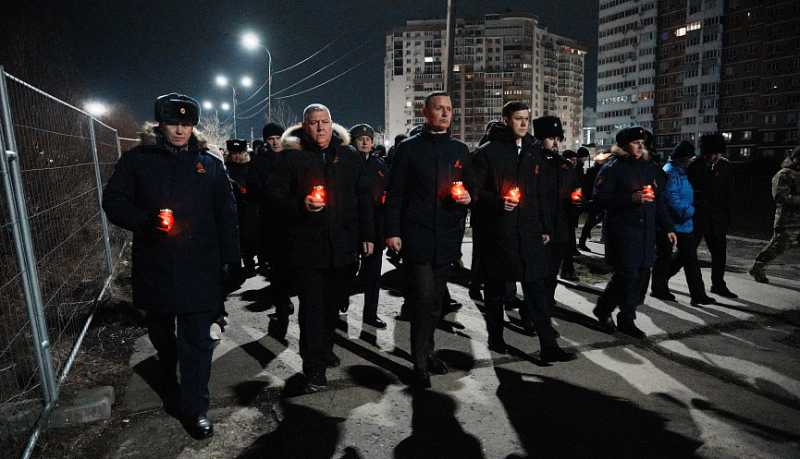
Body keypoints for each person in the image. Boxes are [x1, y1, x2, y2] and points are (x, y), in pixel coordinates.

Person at [102, 93, 239, 439]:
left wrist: (232, 260)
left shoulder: (209, 164)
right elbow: (113, 201)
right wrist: (145, 221)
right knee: (162, 335)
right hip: (157, 264)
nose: (180, 130)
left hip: (200, 267)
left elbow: (227, 215)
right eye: (173, 123)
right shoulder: (137, 160)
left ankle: (195, 408)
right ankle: (167, 370)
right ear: (160, 124)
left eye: (186, 123)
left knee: (198, 342)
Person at [268, 104, 374, 391]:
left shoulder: (348, 156)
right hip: (308, 248)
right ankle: (313, 365)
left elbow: (363, 197)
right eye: (313, 123)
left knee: (333, 305)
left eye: (324, 122)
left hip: (343, 247)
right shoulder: (291, 157)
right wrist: (300, 205)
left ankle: (325, 348)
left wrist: (368, 234)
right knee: (312, 308)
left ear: (331, 123)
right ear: (305, 126)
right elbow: (274, 198)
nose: (320, 127)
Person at [472, 103, 576, 362]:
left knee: (537, 289)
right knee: (496, 289)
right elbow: (474, 191)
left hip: (529, 232)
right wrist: (498, 202)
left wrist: (545, 228)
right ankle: (496, 337)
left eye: (526, 119)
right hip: (500, 232)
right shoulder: (487, 152)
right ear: (506, 119)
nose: (523, 124)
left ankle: (548, 345)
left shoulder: (534, 151)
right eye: (518, 118)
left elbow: (541, 194)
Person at [384, 91, 472, 388]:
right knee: (422, 300)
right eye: (439, 108)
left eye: (449, 109)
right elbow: (395, 194)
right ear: (425, 112)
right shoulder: (408, 149)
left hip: (447, 237)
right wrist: (392, 231)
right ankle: (419, 363)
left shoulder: (460, 149)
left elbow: (471, 187)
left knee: (436, 303)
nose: (445, 113)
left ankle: (429, 350)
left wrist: (468, 198)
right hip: (417, 236)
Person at [592, 127, 676, 339]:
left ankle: (624, 315)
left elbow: (658, 201)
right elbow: (600, 200)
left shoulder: (649, 167)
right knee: (626, 276)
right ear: (624, 145)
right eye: (635, 142)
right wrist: (630, 199)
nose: (640, 146)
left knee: (641, 277)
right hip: (623, 232)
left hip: (646, 232)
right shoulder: (613, 167)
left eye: (642, 142)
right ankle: (610, 311)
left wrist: (668, 227)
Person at [651, 141, 715, 305]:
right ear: (681, 158)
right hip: (671, 223)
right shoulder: (670, 173)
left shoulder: (680, 172)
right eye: (689, 157)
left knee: (689, 259)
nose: (691, 161)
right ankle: (659, 289)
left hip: (683, 223)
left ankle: (697, 295)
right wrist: (690, 211)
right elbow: (672, 198)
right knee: (665, 257)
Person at [249, 122, 295, 340]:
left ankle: (286, 298)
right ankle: (282, 305)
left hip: (294, 221)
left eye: (278, 137)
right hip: (272, 222)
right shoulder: (260, 162)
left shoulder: (293, 157)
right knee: (277, 268)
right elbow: (254, 191)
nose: (275, 142)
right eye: (271, 139)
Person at [688, 133, 737, 298]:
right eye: (710, 154)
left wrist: (727, 216)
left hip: (717, 218)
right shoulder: (694, 165)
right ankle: (663, 279)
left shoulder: (725, 166)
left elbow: (729, 193)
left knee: (719, 253)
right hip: (697, 216)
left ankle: (718, 284)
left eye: (716, 153)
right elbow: (688, 191)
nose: (713, 157)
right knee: (686, 253)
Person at [350, 123, 389, 329]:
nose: (365, 142)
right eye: (361, 139)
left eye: (369, 139)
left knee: (373, 275)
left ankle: (370, 314)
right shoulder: (346, 163)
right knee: (347, 270)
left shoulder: (380, 165)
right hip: (352, 227)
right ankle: (341, 299)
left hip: (376, 227)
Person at [750, 146, 800, 283]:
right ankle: (758, 266)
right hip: (788, 220)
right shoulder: (784, 174)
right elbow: (780, 197)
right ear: (796, 158)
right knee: (779, 245)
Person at [226, 139, 259, 277]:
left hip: (249, 206)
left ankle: (250, 262)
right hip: (233, 207)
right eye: (234, 153)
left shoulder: (252, 165)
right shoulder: (225, 167)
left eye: (239, 153)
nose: (237, 156)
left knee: (249, 235)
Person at [578, 151, 610, 251]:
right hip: (595, 199)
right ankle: (582, 241)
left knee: (594, 220)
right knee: (591, 221)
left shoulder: (601, 170)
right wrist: (588, 199)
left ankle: (584, 239)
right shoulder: (594, 171)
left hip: (599, 199)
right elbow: (587, 186)